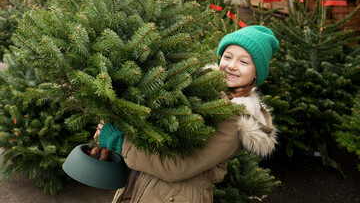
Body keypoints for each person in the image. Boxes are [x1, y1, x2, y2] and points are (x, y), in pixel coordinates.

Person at [94, 25, 280, 203]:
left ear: (257, 73)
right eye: (227, 56)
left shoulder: (236, 120)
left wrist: (121, 143)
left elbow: (177, 166)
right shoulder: (201, 92)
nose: (231, 66)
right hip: (143, 187)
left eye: (244, 61)